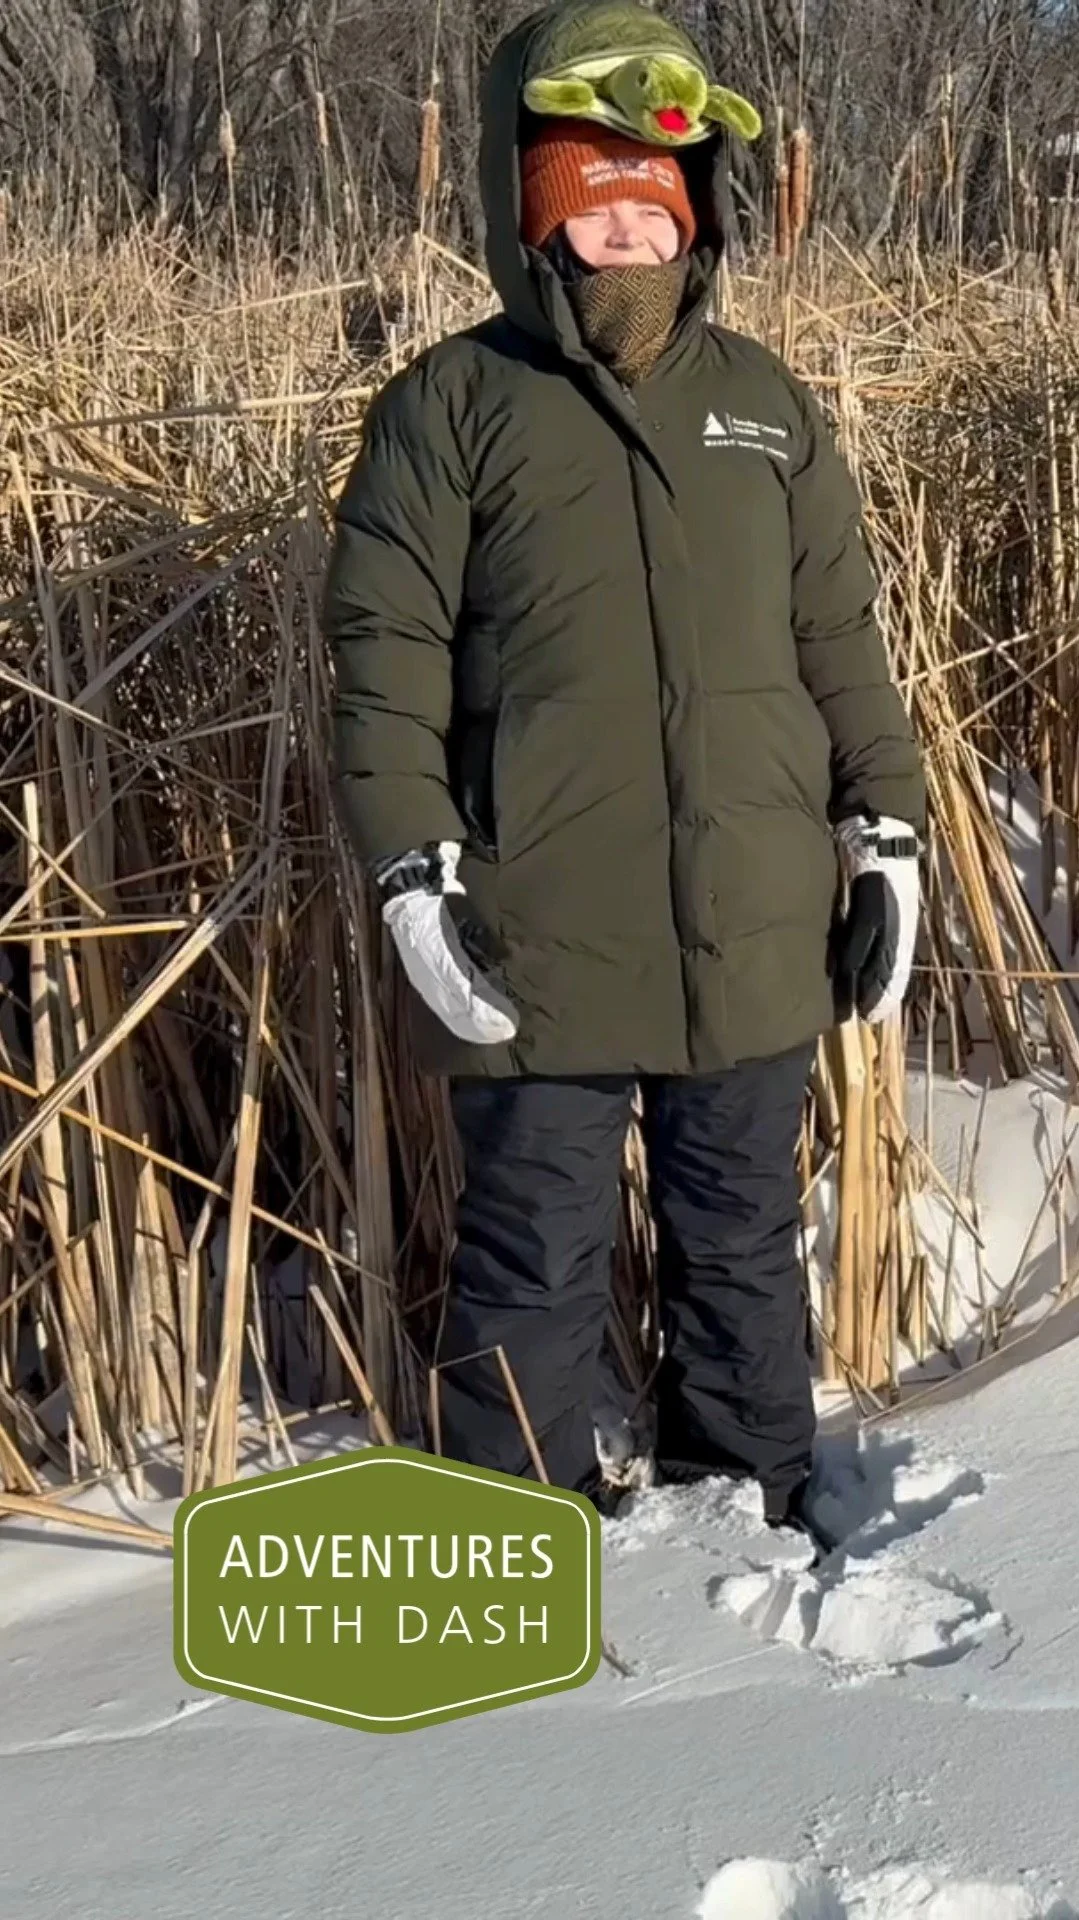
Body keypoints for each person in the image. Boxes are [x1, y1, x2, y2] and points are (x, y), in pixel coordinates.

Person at [323, 1, 925, 1531]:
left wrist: (888, 826)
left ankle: (747, 1507)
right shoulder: (449, 409)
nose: (629, 235)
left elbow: (839, 638)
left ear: (698, 213)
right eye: (592, 206)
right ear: (528, 214)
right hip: (542, 935)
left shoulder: (766, 407)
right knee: (531, 1253)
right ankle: (511, 1531)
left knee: (742, 1239)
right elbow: (385, 653)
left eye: (654, 205)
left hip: (753, 927)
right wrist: (411, 865)